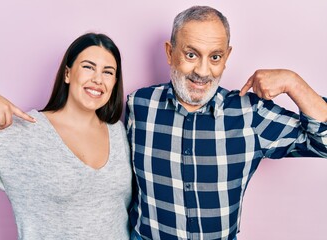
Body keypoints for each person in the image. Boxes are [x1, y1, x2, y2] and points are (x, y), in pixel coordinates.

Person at [126, 5, 327, 240]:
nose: (202, 71)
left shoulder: (251, 114)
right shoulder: (138, 105)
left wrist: (294, 83)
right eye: (191, 55)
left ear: (227, 57)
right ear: (170, 53)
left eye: (215, 57)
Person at [0, 33, 132, 239]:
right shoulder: (26, 133)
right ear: (67, 74)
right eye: (88, 67)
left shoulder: (119, 133)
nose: (98, 79)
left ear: (115, 82)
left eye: (108, 72)